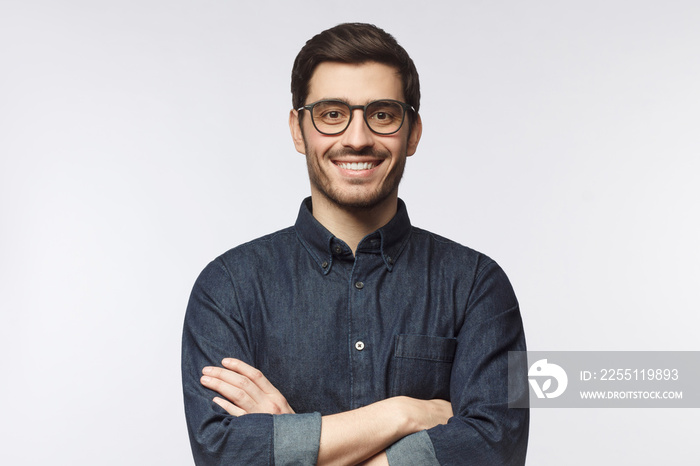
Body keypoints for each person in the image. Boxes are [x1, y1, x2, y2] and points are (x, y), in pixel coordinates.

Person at [182, 22, 529, 465]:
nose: (357, 138)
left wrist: (295, 445)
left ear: (413, 132)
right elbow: (222, 454)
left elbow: (500, 446)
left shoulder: (483, 285)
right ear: (298, 129)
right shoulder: (225, 287)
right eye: (332, 114)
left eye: (382, 114)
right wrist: (402, 414)